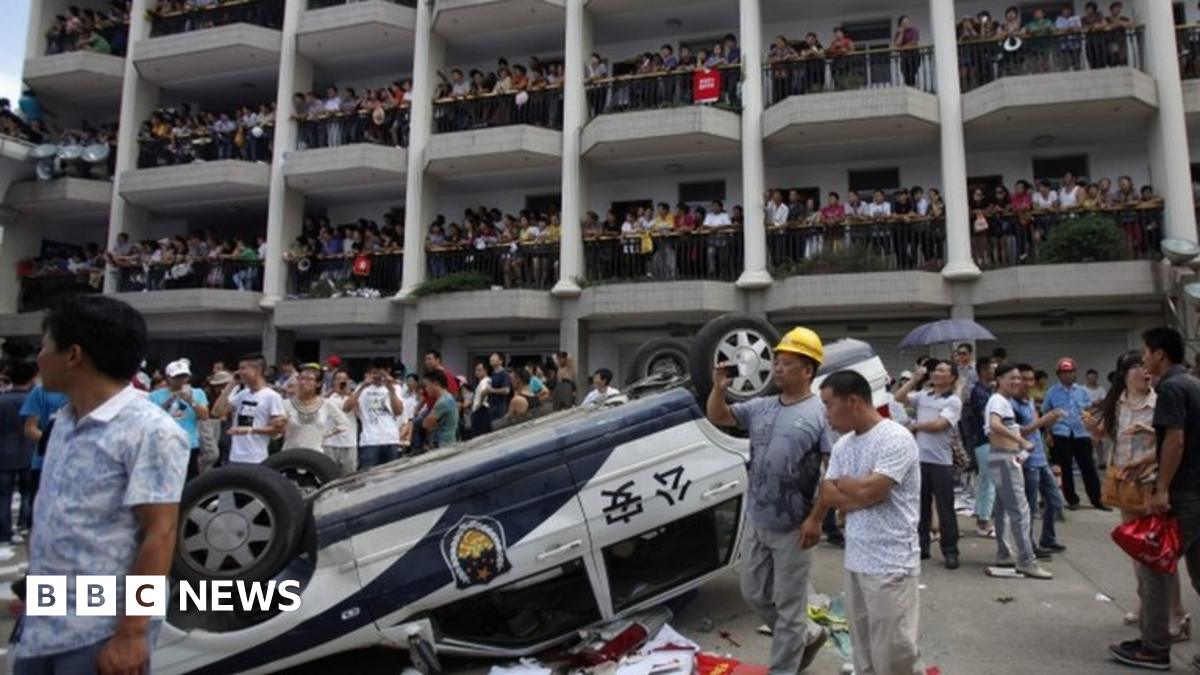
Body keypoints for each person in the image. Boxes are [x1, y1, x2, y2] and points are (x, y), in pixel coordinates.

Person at [11, 296, 187, 674]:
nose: (39, 358)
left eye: (44, 346)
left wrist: (132, 633)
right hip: (41, 626)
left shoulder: (150, 430)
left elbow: (160, 533)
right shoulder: (63, 421)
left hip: (100, 633)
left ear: (73, 355)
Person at [707, 327, 830, 674]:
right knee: (754, 593)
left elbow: (832, 472)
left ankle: (784, 666)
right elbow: (719, 416)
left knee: (789, 605)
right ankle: (807, 634)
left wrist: (816, 518)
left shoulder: (821, 413)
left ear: (807, 370)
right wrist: (719, 389)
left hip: (795, 526)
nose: (776, 368)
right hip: (758, 518)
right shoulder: (761, 406)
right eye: (775, 362)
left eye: (785, 363)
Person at [810, 370, 923, 675]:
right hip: (857, 559)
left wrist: (852, 488)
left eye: (829, 405)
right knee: (864, 649)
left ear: (853, 401)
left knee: (895, 652)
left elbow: (870, 490)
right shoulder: (844, 445)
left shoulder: (895, 438)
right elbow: (828, 492)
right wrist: (861, 491)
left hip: (891, 563)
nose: (826, 415)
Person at [1110, 328, 1200, 670]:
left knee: (1155, 564)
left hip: (1184, 492)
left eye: (1146, 352)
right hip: (1196, 488)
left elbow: (1176, 440)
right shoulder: (1192, 384)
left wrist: (1161, 488)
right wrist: (1147, 459)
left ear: (1160, 354)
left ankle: (1154, 647)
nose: (1144, 359)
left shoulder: (1171, 388)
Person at [1093, 351, 1188, 638]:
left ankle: (1176, 612)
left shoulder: (1160, 400)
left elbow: (1173, 441)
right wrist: (1095, 429)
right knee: (1136, 549)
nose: (1144, 371)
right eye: (1137, 367)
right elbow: (1108, 437)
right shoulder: (1118, 404)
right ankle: (1145, 600)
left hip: (1153, 483)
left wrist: (1148, 434)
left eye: (1145, 366)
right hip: (1124, 483)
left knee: (1159, 552)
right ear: (1124, 374)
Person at [893, 359, 962, 569]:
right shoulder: (924, 396)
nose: (936, 373)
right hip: (920, 460)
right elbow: (898, 397)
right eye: (935, 370)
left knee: (945, 508)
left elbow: (940, 424)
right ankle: (921, 546)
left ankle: (950, 550)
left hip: (942, 462)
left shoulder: (953, 401)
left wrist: (915, 426)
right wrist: (914, 379)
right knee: (920, 507)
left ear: (952, 377)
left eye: (942, 370)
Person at [987, 364, 1053, 579]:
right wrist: (1022, 441)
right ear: (999, 379)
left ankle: (1004, 554)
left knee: (1003, 509)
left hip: (999, 458)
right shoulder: (998, 400)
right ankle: (1026, 561)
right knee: (1020, 512)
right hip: (1004, 459)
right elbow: (995, 424)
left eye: (1019, 378)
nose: (1017, 382)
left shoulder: (1001, 401)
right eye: (1012, 378)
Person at [1014, 363, 1067, 557]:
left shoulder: (1029, 401)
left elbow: (1036, 428)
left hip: (1040, 457)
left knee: (1055, 501)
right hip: (1027, 461)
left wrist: (1051, 420)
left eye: (1031, 379)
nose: (1028, 383)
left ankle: (1048, 539)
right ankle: (1028, 546)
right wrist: (1043, 421)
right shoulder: (1010, 404)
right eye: (1023, 379)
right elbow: (1017, 433)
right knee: (1029, 506)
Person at [1043, 357, 1108, 511]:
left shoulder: (1081, 391)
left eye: (1071, 372)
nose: (1068, 375)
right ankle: (1072, 500)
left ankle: (1097, 500)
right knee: (1066, 469)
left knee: (1089, 467)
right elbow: (1046, 413)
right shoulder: (1052, 392)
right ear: (1058, 374)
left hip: (1081, 433)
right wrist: (1048, 434)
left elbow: (1087, 410)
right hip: (1061, 433)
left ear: (1075, 373)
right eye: (1064, 373)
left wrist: (1092, 430)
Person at [211, 354, 286, 465]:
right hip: (235, 456)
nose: (240, 372)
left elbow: (278, 429)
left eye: (243, 368)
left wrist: (250, 430)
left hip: (256, 457)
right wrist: (231, 385)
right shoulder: (242, 395)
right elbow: (216, 412)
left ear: (258, 370)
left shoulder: (272, 396)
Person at [148, 359, 209, 481]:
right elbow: (152, 418)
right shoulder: (155, 395)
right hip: (164, 443)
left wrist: (191, 401)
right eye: (177, 377)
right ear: (168, 377)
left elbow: (205, 416)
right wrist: (171, 399)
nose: (181, 380)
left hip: (189, 443)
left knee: (190, 480)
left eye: (184, 376)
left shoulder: (198, 393)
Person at [342, 359, 404, 470]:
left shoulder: (396, 388)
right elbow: (346, 408)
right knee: (368, 474)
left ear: (388, 372)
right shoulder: (362, 388)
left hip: (391, 439)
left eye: (381, 374)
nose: (378, 377)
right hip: (369, 440)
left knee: (391, 474)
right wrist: (362, 386)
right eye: (375, 373)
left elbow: (398, 411)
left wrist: (391, 389)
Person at [0, 360, 36, 544]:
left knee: (3, 496)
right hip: (28, 453)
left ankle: (4, 532)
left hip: (3, 455)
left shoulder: (2, 400)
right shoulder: (33, 400)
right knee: (28, 493)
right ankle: (25, 524)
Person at [282, 364, 350, 455]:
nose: (303, 382)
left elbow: (344, 424)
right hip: (290, 454)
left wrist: (324, 435)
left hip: (315, 455)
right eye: (301, 379)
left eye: (309, 379)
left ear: (318, 384)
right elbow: (276, 433)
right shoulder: (285, 404)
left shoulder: (326, 404)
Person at [963, 357, 996, 537]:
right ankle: (984, 523)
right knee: (988, 482)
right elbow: (987, 416)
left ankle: (983, 519)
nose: (995, 371)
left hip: (988, 441)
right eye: (992, 368)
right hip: (984, 441)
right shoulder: (979, 392)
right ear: (983, 370)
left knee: (987, 482)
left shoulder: (987, 391)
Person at [323, 369, 358, 475]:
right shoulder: (328, 397)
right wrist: (333, 391)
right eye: (338, 379)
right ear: (333, 381)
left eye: (344, 379)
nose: (342, 381)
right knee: (329, 474)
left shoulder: (353, 397)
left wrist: (350, 393)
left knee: (349, 475)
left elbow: (357, 410)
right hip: (330, 442)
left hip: (349, 442)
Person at [421, 369, 459, 450]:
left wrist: (432, 424)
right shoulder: (448, 398)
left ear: (436, 383)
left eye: (427, 385)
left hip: (443, 445)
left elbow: (426, 424)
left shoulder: (443, 402)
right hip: (447, 443)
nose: (426, 389)